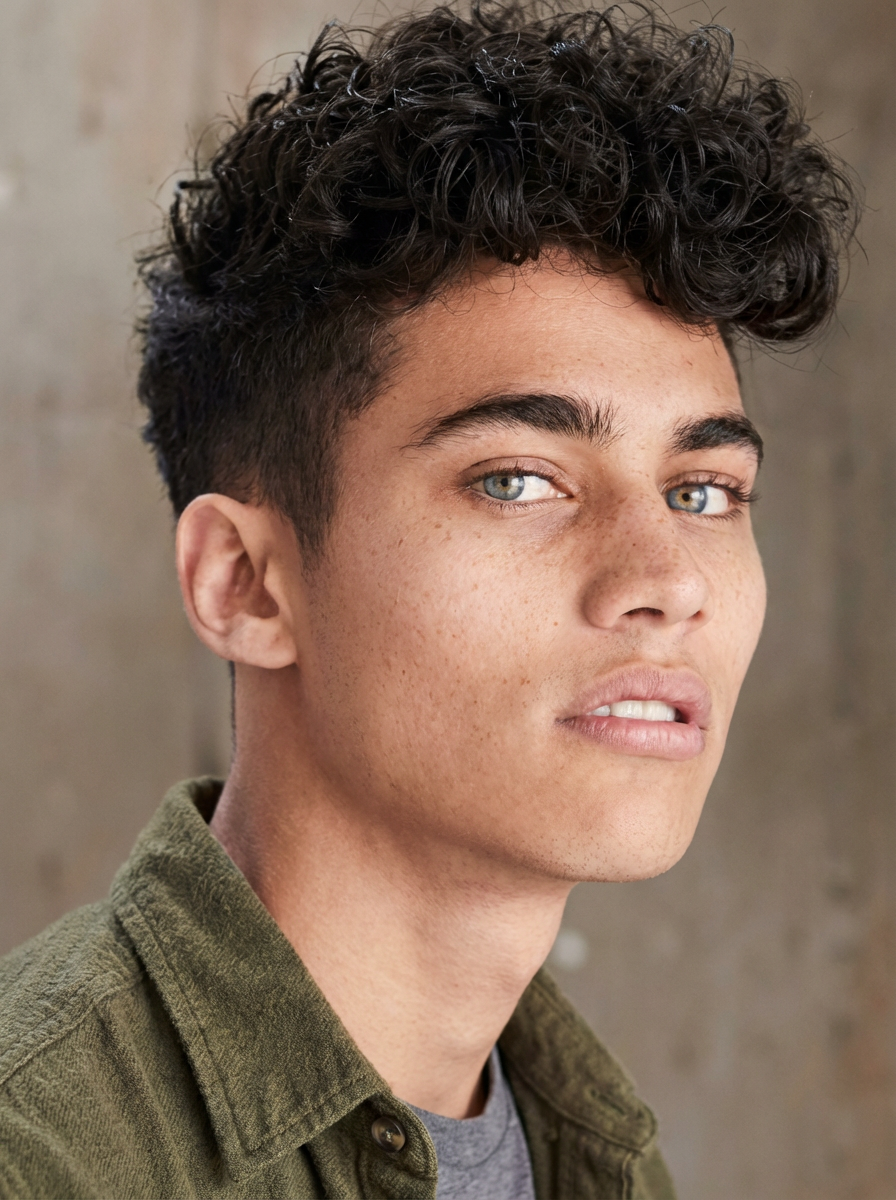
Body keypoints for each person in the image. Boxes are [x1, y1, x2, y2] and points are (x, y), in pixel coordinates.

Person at [0, 3, 858, 1197]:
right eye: (519, 480)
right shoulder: (40, 1152)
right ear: (244, 583)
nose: (664, 581)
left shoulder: (596, 1155)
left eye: (704, 490)